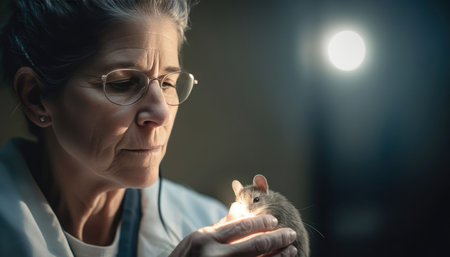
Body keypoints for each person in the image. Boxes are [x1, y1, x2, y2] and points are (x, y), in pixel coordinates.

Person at [0, 0, 298, 256]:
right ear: (35, 97)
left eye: (168, 82)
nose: (161, 113)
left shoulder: (211, 222)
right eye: (122, 84)